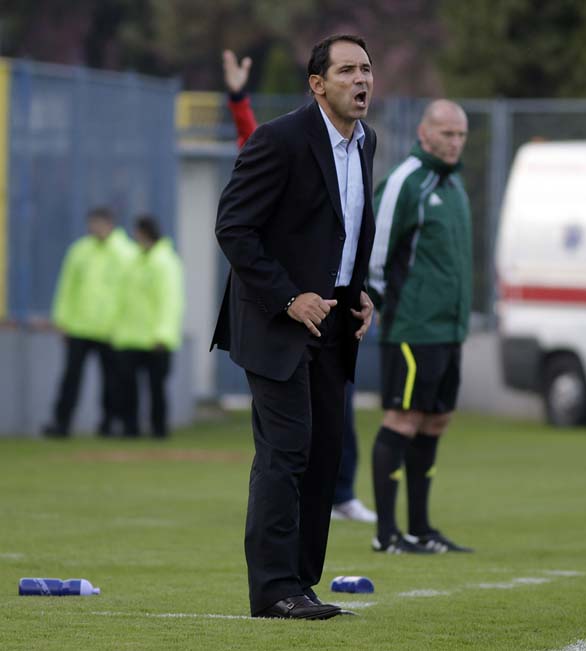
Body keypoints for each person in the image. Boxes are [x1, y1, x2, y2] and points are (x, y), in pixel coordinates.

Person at [212, 34, 376, 620]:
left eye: (366, 69)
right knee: (286, 451)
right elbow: (233, 228)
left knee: (325, 452)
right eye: (347, 71)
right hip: (276, 323)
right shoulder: (278, 139)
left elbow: (344, 228)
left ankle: (301, 584)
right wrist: (288, 298)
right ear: (317, 84)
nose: (361, 80)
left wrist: (359, 293)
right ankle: (273, 589)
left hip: (332, 324)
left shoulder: (366, 143)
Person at [368, 100, 474, 554]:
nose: (454, 143)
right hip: (412, 329)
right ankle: (386, 534)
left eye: (460, 135)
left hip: (449, 331)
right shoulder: (404, 181)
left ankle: (420, 529)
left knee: (436, 421)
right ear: (424, 132)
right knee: (403, 420)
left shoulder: (453, 186)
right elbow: (374, 253)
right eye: (446, 134)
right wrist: (379, 307)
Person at [43, 206, 137, 438]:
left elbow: (131, 294)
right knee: (71, 379)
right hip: (79, 327)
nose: (94, 229)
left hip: (111, 329)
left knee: (112, 382)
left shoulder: (126, 252)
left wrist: (125, 326)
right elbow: (67, 287)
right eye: (91, 224)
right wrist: (62, 320)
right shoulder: (79, 251)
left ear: (110, 224)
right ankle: (61, 423)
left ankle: (109, 424)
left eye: (98, 224)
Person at [110, 216, 184, 438]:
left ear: (144, 233)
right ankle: (129, 429)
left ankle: (159, 430)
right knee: (127, 388)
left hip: (155, 338)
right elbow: (121, 299)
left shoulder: (165, 261)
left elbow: (170, 300)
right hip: (129, 337)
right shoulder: (133, 260)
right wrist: (116, 329)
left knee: (156, 388)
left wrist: (163, 333)